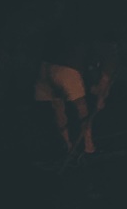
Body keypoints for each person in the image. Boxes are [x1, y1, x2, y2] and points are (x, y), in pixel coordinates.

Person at [34, 18, 117, 154]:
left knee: (58, 107)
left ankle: (67, 144)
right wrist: (101, 98)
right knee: (82, 110)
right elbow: (105, 77)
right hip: (67, 70)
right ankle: (88, 146)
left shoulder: (66, 32)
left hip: (45, 67)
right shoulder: (105, 47)